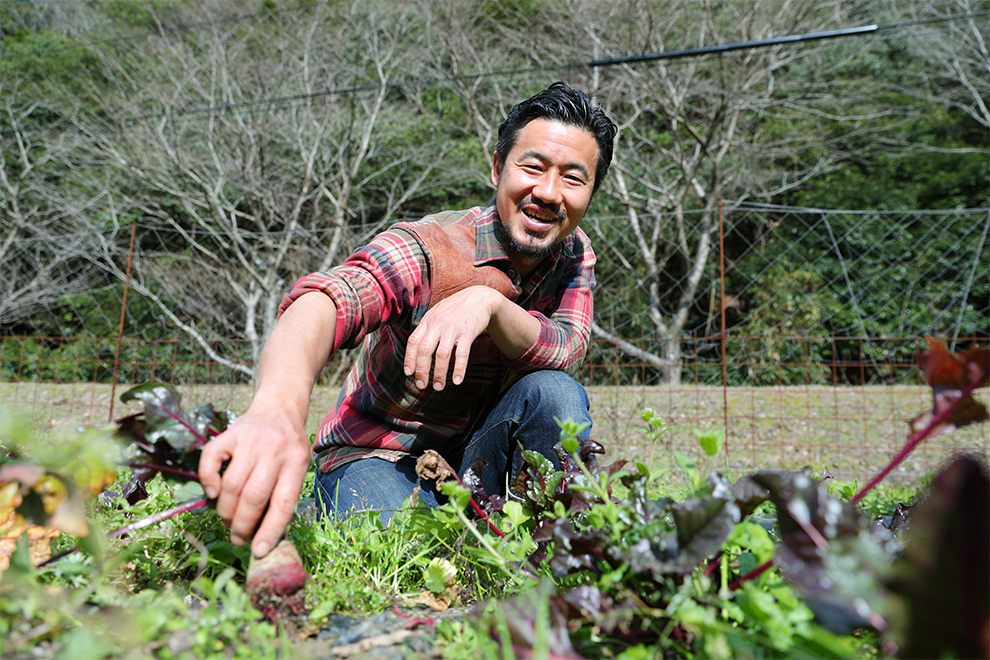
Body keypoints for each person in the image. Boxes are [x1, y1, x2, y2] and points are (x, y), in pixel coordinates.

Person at [198, 82, 618, 558]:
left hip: (475, 459)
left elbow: (566, 345)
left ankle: (554, 548)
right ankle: (346, 502)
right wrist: (278, 406)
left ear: (590, 193)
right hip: (379, 454)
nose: (547, 192)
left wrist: (490, 304)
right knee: (413, 555)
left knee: (554, 392)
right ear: (498, 168)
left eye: (572, 178)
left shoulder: (572, 254)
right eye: (533, 167)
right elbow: (327, 302)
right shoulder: (428, 248)